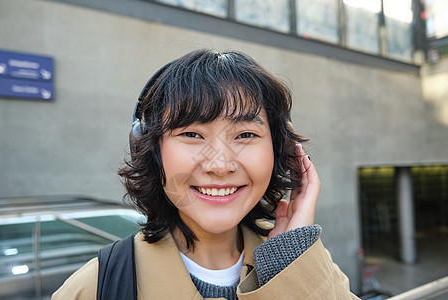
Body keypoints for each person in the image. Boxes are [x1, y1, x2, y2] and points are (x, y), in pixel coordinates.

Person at [53, 49, 359, 299]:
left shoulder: (307, 263)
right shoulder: (95, 288)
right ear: (152, 150)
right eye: (191, 134)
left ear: (281, 150)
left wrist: (287, 264)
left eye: (246, 135)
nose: (219, 164)